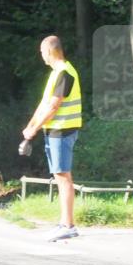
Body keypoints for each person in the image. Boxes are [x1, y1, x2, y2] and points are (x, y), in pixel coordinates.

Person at [21, 35, 82, 242]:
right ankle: (64, 223)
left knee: (63, 177)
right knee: (60, 176)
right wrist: (31, 126)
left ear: (49, 51)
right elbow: (44, 103)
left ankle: (68, 225)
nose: (41, 56)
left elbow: (54, 107)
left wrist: (34, 128)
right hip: (56, 131)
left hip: (62, 131)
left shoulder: (64, 72)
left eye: (41, 52)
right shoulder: (56, 73)